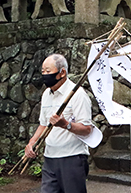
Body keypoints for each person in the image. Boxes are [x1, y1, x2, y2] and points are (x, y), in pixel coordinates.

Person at [24, 54, 93, 193]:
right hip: (50, 157)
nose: (44, 74)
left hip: (72, 158)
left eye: (48, 71)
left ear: (62, 72)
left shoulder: (77, 94)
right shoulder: (46, 94)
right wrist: (32, 142)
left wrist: (66, 124)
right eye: (43, 71)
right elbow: (43, 124)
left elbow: (87, 129)